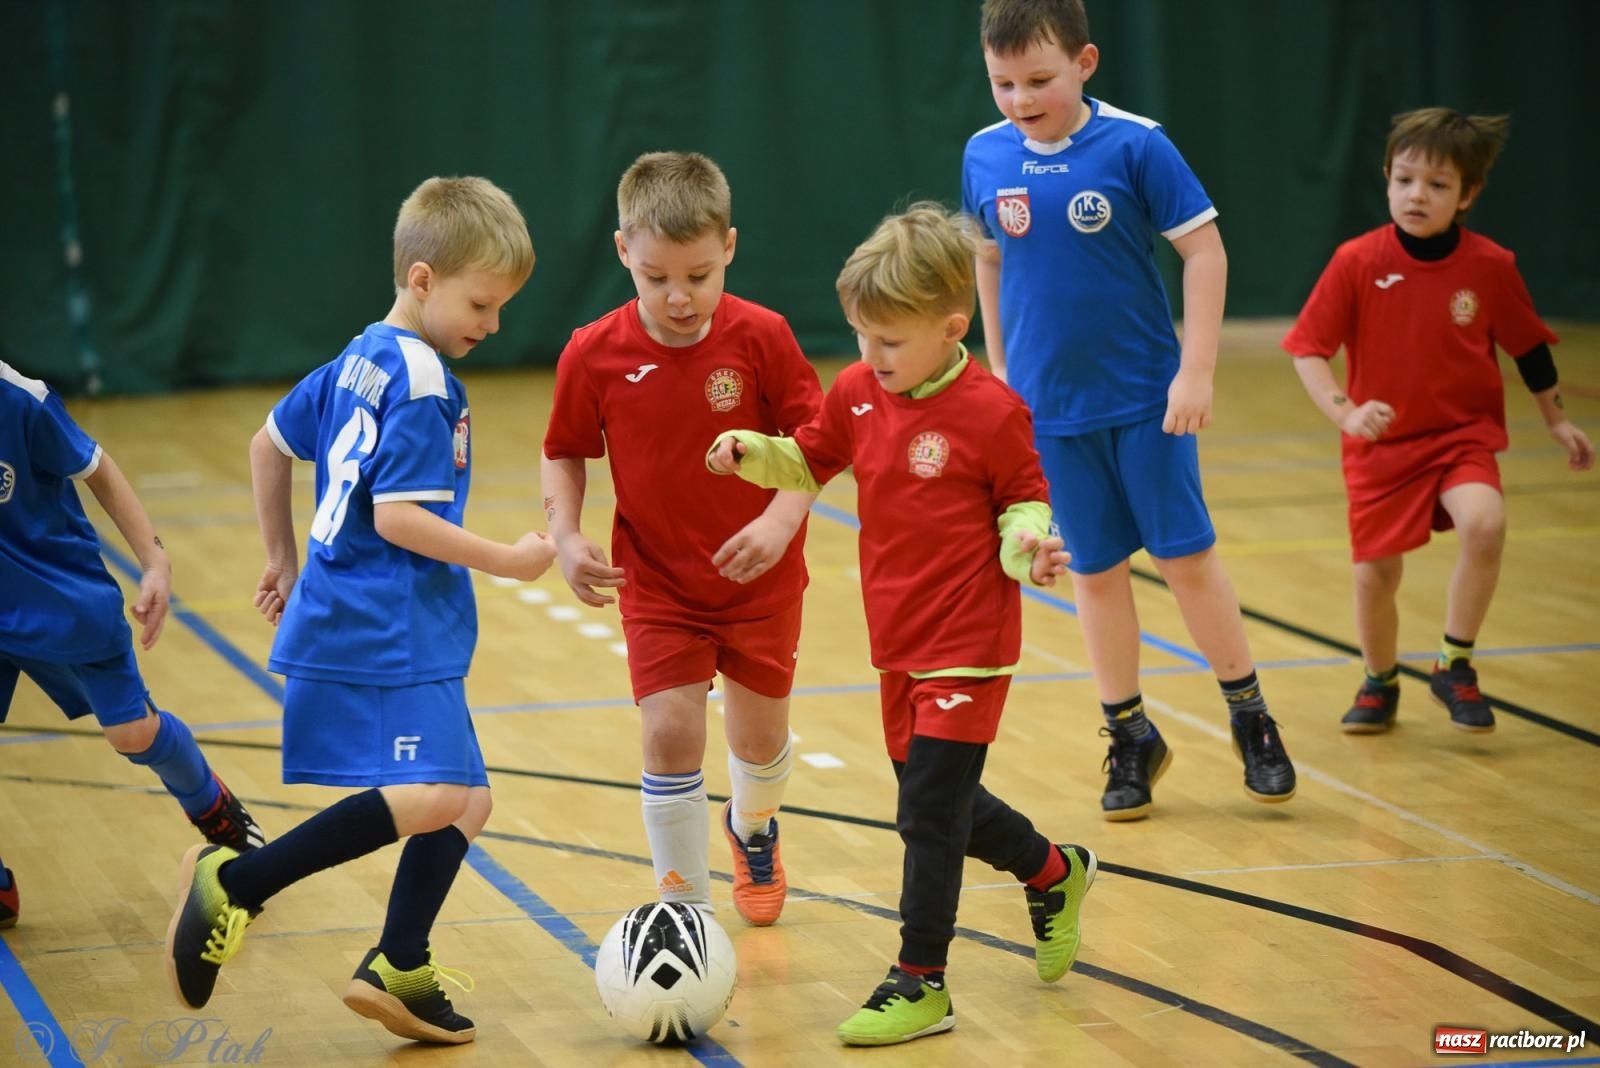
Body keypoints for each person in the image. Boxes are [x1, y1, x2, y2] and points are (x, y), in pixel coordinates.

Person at [165, 176, 553, 1045]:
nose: (491, 325)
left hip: (375, 608)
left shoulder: (363, 355)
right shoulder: (422, 383)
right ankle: (240, 883)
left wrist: (281, 556)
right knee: (435, 791)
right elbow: (398, 518)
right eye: (481, 303)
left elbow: (268, 444)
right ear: (423, 278)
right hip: (386, 618)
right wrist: (509, 561)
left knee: (470, 799)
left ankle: (398, 962)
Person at [708, 202, 1096, 1047]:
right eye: (860, 337)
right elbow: (809, 457)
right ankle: (1055, 872)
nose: (869, 357)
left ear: (950, 327)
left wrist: (1029, 546)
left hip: (970, 642)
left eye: (889, 341)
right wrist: (749, 449)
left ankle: (921, 982)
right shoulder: (856, 393)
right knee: (943, 805)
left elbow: (1025, 500)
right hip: (898, 644)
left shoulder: (991, 411)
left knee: (925, 812)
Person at [962, 0, 1295, 820]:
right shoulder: (984, 154)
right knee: (1094, 573)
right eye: (1002, 82)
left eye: (1038, 80)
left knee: (1186, 560)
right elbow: (990, 259)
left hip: (1148, 401)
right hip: (1049, 413)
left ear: (1086, 62)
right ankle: (1130, 735)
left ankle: (1251, 716)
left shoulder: (1136, 143)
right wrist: (999, 366)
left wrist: (1197, 372)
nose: (1019, 99)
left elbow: (1204, 249)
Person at [541, 151, 822, 926]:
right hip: (657, 582)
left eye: (699, 276)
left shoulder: (763, 337)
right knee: (669, 734)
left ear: (729, 246)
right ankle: (685, 910)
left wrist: (777, 519)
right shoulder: (592, 351)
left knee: (761, 748)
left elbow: (817, 441)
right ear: (623, 250)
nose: (678, 297)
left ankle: (752, 827)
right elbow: (564, 448)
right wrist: (564, 535)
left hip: (759, 582)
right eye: (657, 276)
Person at [1283, 108, 1593, 734]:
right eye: (1403, 180)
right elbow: (1308, 350)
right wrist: (1347, 413)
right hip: (1382, 446)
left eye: (1437, 184)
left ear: (1469, 193)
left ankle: (1454, 663)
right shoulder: (1356, 261)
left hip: (1461, 436)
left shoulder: (1490, 267)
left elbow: (1528, 347)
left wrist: (1556, 421)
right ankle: (1380, 680)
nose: (1416, 195)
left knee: (1486, 521)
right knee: (1376, 576)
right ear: (1387, 179)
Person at [1, 360, 266, 930]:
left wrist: (154, 559)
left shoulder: (22, 400)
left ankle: (216, 809)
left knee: (132, 732)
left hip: (62, 600)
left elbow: (100, 471)